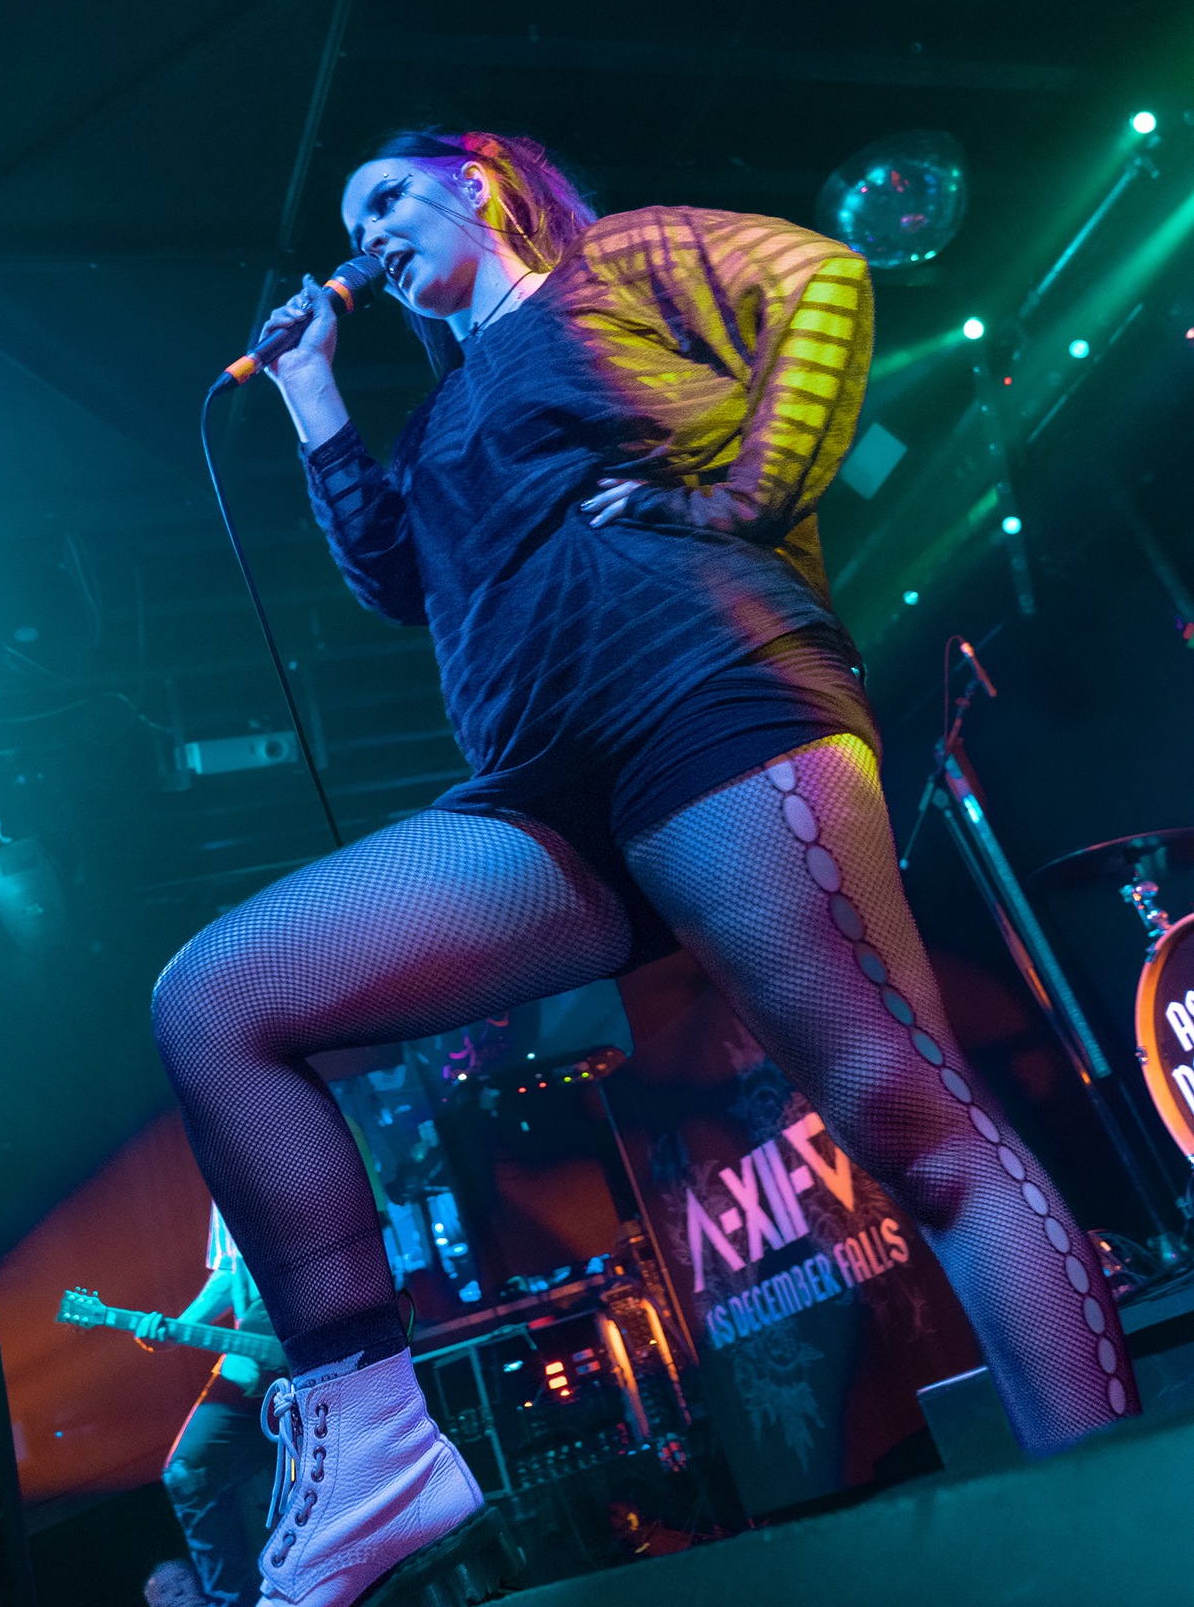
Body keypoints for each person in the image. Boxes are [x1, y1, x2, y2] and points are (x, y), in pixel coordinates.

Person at [153, 129, 1138, 1606]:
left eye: (387, 197)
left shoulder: (609, 265)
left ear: (479, 181)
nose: (366, 236)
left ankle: (1114, 1517)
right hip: (540, 793)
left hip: (705, 700)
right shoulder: (439, 414)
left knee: (904, 1116)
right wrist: (312, 397)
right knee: (215, 998)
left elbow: (819, 278)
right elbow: (394, 580)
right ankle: (371, 1432)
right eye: (353, 220)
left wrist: (746, 491)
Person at [134, 1206, 282, 1607]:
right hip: (250, 1360)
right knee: (186, 1471)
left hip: (316, 1347)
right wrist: (177, 1329)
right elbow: (230, 1271)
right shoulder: (223, 1188)